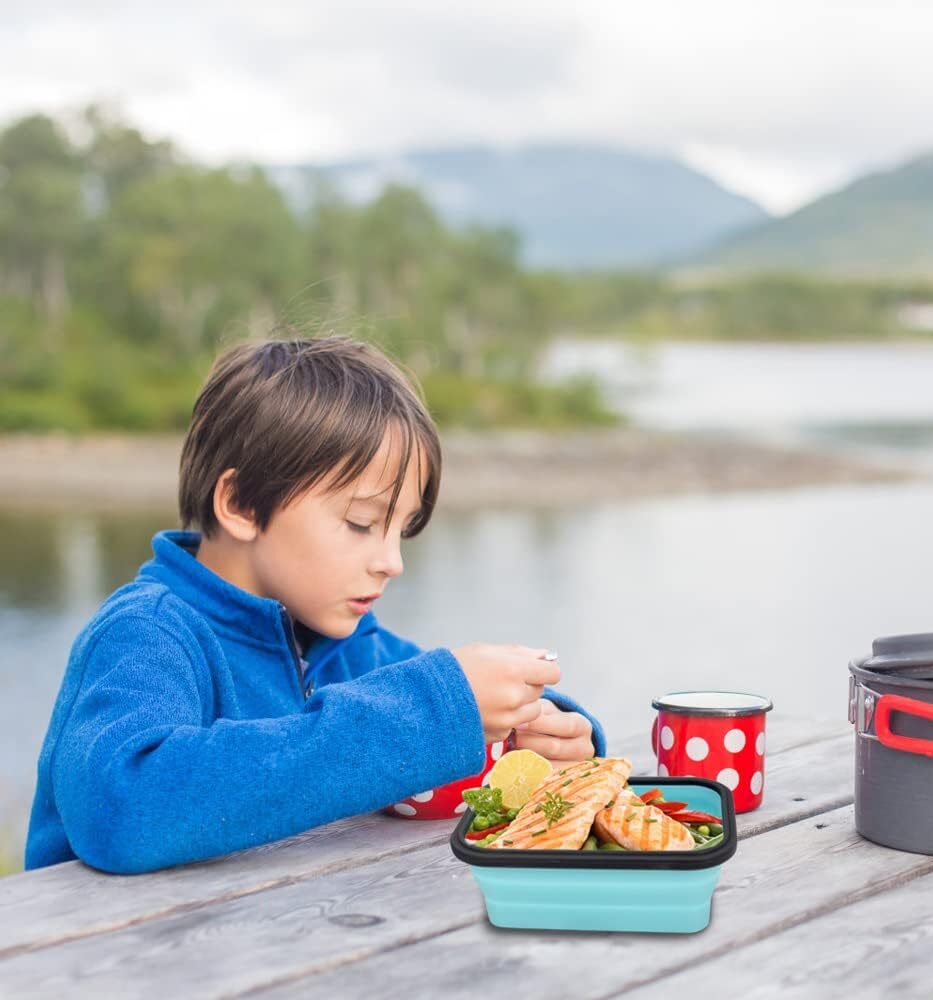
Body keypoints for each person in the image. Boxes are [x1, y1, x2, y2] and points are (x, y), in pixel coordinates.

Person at [24, 335, 606, 874]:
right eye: (360, 523)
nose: (391, 562)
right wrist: (432, 710)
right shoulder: (148, 635)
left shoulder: (348, 643)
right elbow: (123, 807)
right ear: (243, 505)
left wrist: (541, 730)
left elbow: (438, 708)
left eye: (401, 530)